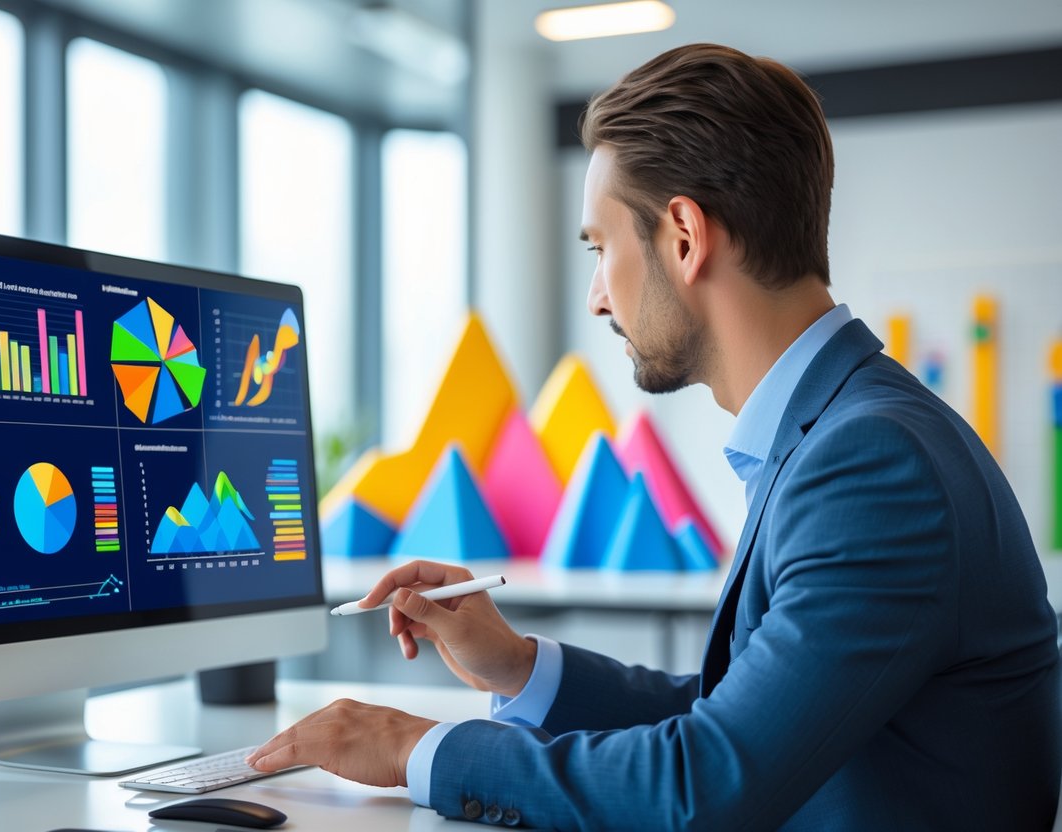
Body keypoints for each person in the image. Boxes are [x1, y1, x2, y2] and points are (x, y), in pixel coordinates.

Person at [247, 43, 1061, 829]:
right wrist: (519, 667)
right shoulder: (843, 431)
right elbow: (739, 717)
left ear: (683, 237)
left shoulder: (871, 464)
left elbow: (702, 785)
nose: (598, 298)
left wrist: (420, 748)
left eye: (601, 250)